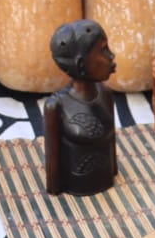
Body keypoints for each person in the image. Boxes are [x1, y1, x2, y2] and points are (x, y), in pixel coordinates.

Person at [44, 20, 118, 195]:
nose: (111, 55)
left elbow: (111, 144)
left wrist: (114, 172)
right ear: (80, 64)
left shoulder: (105, 94)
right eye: (103, 50)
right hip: (76, 187)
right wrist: (54, 189)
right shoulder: (56, 105)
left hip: (106, 183)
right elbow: (52, 157)